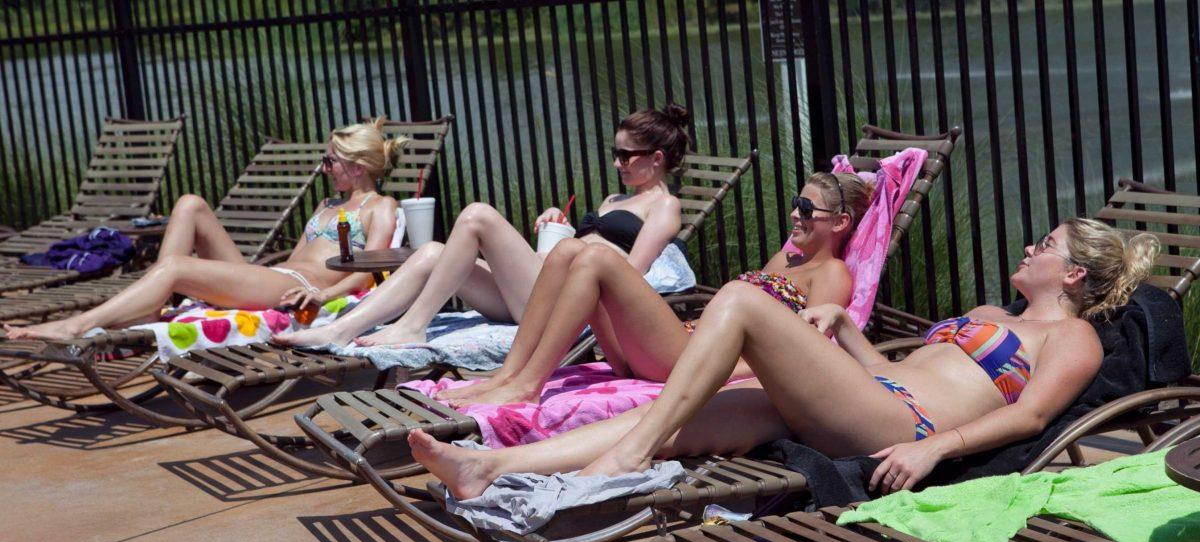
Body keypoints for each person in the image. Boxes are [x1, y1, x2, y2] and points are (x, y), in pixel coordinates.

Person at [408, 217, 1159, 499]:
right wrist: (847, 332)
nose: (1029, 248)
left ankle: (628, 454)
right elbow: (901, 366)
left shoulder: (1072, 338)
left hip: (910, 427)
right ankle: (493, 470)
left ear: (1073, 276)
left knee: (740, 300)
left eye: (1047, 246)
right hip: (871, 396)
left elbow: (1030, 414)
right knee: (691, 416)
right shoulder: (992, 316)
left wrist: (936, 455)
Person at [271, 104, 695, 349]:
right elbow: (590, 246)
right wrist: (561, 226)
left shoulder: (664, 207)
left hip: (567, 306)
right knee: (431, 252)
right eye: (615, 153)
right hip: (542, 283)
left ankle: (413, 327)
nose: (618, 163)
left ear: (657, 158)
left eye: (627, 155)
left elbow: (628, 277)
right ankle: (340, 330)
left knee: (477, 214)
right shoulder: (614, 200)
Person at [438, 172, 870, 407]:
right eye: (797, 202)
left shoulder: (832, 273)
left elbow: (809, 351)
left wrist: (723, 372)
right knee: (568, 250)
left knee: (597, 259)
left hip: (691, 359)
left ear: (839, 223)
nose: (796, 213)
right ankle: (510, 375)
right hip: (676, 344)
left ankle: (529, 384)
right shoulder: (789, 258)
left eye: (808, 209)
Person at [5, 119, 402, 341]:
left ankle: (77, 324)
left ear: (357, 166)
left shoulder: (380, 208)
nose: (324, 168)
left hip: (296, 287)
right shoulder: (327, 204)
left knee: (177, 267)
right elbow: (294, 255)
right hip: (274, 277)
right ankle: (152, 304)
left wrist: (323, 293)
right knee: (190, 203)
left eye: (330, 161)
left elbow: (372, 270)